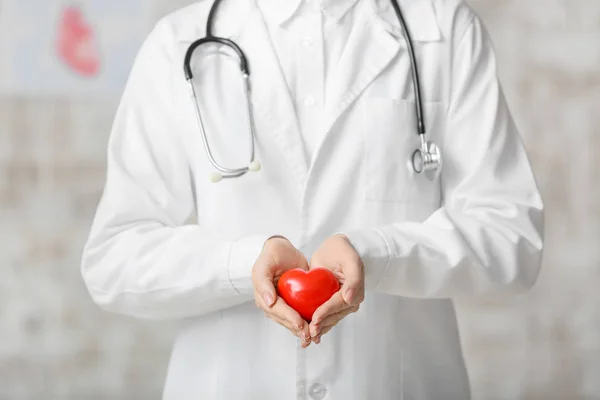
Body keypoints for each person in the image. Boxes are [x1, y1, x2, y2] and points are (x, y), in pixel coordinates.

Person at [80, 0, 544, 398]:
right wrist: (243, 264)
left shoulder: (444, 31)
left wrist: (379, 253)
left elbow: (511, 238)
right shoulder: (179, 41)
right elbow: (113, 259)